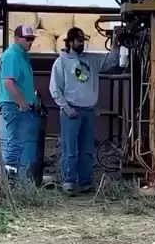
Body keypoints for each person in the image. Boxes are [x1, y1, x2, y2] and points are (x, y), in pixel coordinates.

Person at [49, 26, 120, 193]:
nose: (81, 43)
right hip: (71, 110)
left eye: (83, 41)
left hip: (88, 109)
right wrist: (66, 107)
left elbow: (111, 61)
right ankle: (69, 181)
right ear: (70, 42)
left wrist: (116, 42)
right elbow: (55, 88)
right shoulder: (61, 62)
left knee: (87, 149)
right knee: (70, 149)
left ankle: (85, 181)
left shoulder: (91, 60)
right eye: (78, 41)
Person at [0, 24, 36, 176]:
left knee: (17, 143)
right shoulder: (12, 55)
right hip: (14, 106)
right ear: (17, 38)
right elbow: (8, 82)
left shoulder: (22, 55)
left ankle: (12, 177)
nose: (30, 42)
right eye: (27, 39)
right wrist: (22, 103)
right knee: (15, 143)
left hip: (18, 105)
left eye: (32, 39)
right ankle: (10, 180)